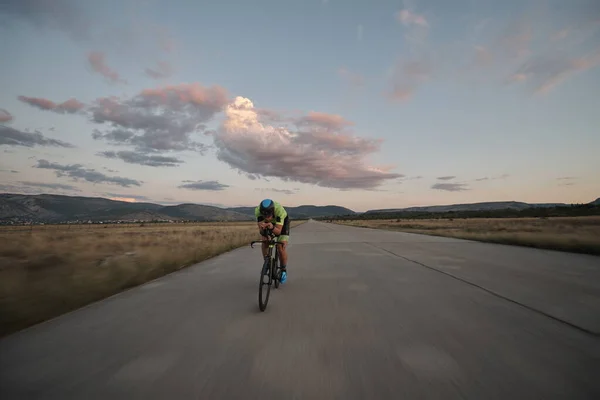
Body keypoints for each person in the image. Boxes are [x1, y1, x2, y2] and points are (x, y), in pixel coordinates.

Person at [255, 198, 290, 283]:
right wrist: (264, 232)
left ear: (273, 211)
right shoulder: (258, 211)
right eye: (265, 216)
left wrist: (272, 227)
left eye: (268, 215)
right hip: (270, 225)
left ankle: (283, 270)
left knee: (280, 246)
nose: (267, 218)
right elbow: (261, 231)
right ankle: (267, 264)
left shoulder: (279, 211)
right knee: (265, 241)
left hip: (282, 224)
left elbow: (278, 232)